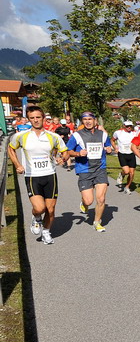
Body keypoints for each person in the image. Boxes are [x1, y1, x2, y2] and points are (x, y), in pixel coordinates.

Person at [7, 105, 68, 244]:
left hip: (50, 175)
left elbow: (65, 151)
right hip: (32, 175)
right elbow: (11, 149)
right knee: (40, 208)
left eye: (38, 117)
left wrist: (62, 158)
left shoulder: (54, 136)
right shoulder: (21, 136)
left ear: (43, 119)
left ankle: (46, 231)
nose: (35, 120)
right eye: (32, 118)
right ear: (29, 120)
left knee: (51, 209)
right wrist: (18, 165)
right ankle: (36, 217)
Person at [67, 111, 115, 232]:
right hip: (85, 169)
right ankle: (84, 203)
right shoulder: (77, 135)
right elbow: (68, 151)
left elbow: (108, 146)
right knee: (89, 200)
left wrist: (109, 149)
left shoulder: (103, 135)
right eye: (85, 119)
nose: (88, 121)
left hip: (100, 169)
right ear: (82, 121)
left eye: (90, 119)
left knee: (101, 199)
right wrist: (78, 153)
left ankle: (97, 222)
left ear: (95, 121)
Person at [112, 120, 138, 193]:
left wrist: (138, 148)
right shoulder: (118, 133)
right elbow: (112, 140)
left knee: (132, 173)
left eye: (130, 126)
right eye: (127, 126)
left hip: (131, 153)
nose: (129, 127)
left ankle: (127, 187)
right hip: (122, 153)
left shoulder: (134, 133)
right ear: (124, 126)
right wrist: (115, 148)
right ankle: (121, 174)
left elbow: (139, 141)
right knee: (126, 171)